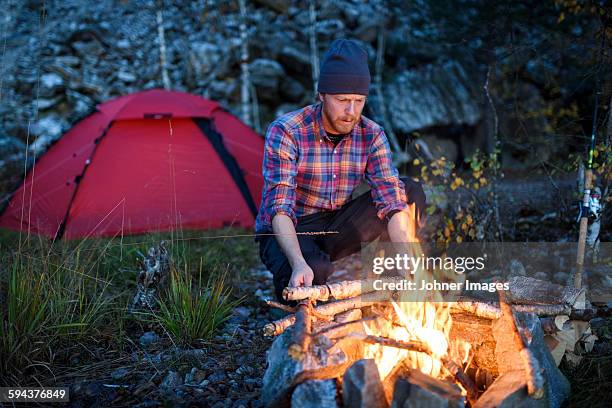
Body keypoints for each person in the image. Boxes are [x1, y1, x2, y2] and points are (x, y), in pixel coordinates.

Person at [255, 39, 426, 302]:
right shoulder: (287, 130)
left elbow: (390, 197)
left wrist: (405, 251)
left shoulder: (372, 134)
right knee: (311, 275)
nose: (350, 111)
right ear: (321, 95)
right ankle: (299, 274)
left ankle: (395, 286)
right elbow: (279, 206)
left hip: (335, 224)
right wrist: (299, 262)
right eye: (342, 100)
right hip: (289, 228)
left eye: (358, 101)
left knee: (409, 191)